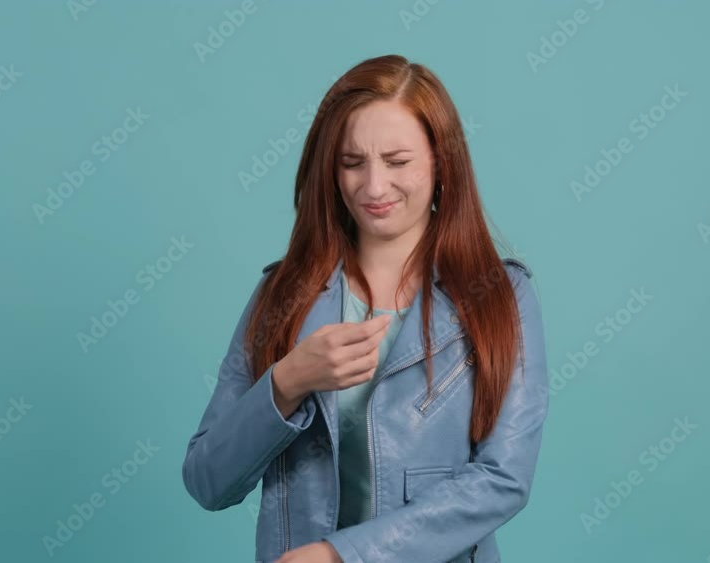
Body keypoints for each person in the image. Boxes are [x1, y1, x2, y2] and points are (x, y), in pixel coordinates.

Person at [182, 54, 549, 563]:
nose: (374, 187)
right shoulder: (281, 295)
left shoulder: (499, 295)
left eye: (397, 162)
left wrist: (342, 555)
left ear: (441, 163)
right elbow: (208, 480)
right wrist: (287, 382)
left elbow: (503, 479)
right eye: (352, 163)